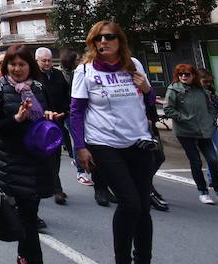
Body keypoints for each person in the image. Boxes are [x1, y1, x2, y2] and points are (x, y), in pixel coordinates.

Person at [71, 21, 155, 264]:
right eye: (98, 39)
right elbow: (76, 111)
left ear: (120, 41)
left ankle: (143, 259)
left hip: (139, 142)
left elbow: (149, 103)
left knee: (143, 208)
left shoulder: (134, 65)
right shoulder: (85, 70)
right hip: (103, 144)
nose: (103, 42)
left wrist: (148, 89)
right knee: (130, 203)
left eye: (109, 37)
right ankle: (122, 259)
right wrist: (80, 147)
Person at [0, 47, 62, 264]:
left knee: (28, 215)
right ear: (6, 66)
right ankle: (32, 259)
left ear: (31, 66)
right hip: (12, 162)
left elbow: (46, 114)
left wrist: (50, 116)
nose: (17, 69)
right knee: (28, 218)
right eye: (12, 64)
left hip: (38, 159)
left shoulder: (39, 87)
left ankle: (22, 256)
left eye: (22, 64)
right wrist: (16, 119)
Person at [164, 64, 218, 206]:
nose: (184, 76)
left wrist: (208, 122)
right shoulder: (174, 89)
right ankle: (203, 192)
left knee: (213, 160)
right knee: (196, 161)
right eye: (181, 74)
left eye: (187, 74)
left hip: (204, 131)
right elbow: (168, 109)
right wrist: (184, 118)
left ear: (193, 75)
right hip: (185, 132)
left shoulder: (201, 90)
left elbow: (211, 107)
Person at [35, 47, 70, 205]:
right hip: (40, 123)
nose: (48, 63)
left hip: (57, 121)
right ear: (37, 61)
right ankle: (53, 187)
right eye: (44, 60)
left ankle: (55, 187)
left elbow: (65, 94)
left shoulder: (57, 74)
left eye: (49, 60)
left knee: (54, 156)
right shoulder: (33, 76)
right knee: (43, 157)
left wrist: (65, 112)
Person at [58, 48, 92, 186]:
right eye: (77, 60)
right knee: (78, 140)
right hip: (70, 112)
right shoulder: (66, 76)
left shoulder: (80, 72)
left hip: (80, 112)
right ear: (71, 62)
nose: (80, 61)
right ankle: (80, 171)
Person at [198, 70, 218, 155]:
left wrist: (211, 100)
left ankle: (212, 168)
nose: (208, 84)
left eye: (210, 82)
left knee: (214, 153)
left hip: (212, 127)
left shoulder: (212, 94)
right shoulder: (192, 94)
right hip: (198, 128)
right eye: (205, 81)